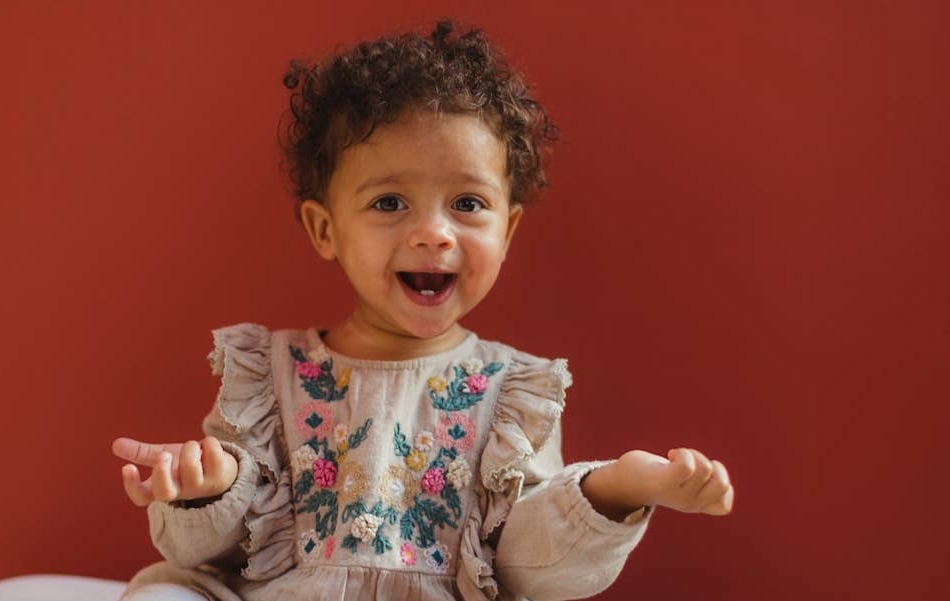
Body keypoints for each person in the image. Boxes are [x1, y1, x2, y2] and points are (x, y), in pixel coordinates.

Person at [111, 18, 734, 601]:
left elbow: (532, 565)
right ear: (324, 229)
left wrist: (616, 489)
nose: (435, 233)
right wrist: (204, 490)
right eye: (389, 204)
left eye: (466, 203)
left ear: (508, 230)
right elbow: (215, 551)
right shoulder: (268, 375)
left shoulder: (510, 391)